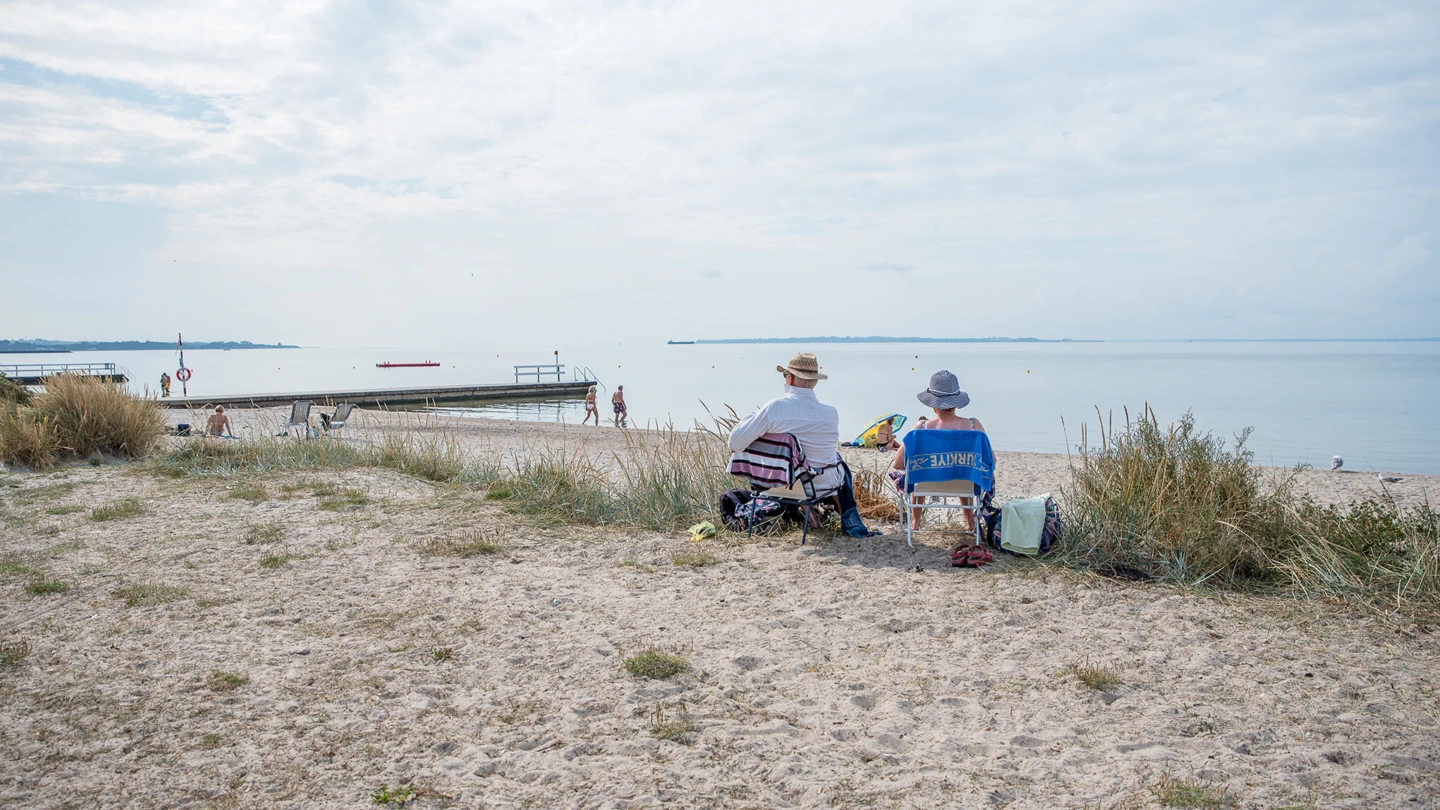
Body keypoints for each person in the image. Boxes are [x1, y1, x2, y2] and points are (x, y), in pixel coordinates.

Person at [728, 352, 881, 538]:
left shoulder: (775, 408)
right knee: (837, 462)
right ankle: (849, 520)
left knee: (797, 462)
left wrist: (754, 416)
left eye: (785, 375)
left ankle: (807, 509)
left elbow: (735, 443)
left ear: (790, 378)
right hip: (821, 484)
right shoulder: (831, 413)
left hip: (776, 483)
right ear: (815, 382)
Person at [889, 370, 985, 530]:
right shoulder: (974, 426)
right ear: (956, 402)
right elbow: (991, 461)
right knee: (963, 470)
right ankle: (970, 523)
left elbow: (897, 463)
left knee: (918, 472)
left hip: (927, 482)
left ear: (933, 404)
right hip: (965, 484)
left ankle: (915, 523)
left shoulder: (921, 428)